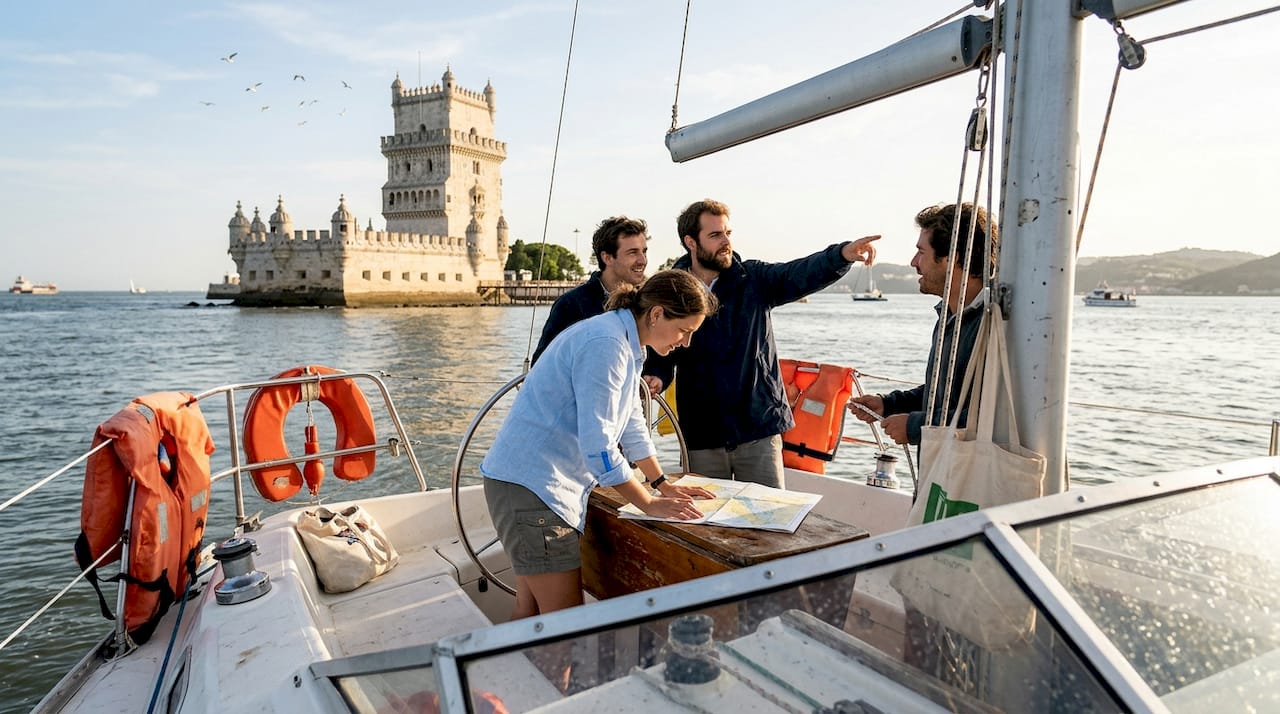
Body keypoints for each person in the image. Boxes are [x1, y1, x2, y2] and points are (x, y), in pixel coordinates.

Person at [481, 269, 718, 624]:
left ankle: (510, 680)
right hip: (534, 494)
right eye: (684, 330)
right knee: (565, 630)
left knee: (529, 614)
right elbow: (601, 448)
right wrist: (649, 504)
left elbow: (632, 423)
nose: (686, 343)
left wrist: (661, 483)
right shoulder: (606, 345)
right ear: (656, 314)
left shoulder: (623, 341)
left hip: (521, 485)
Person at [645, 198, 879, 488]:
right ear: (691, 242)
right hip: (702, 434)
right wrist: (657, 375)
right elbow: (661, 347)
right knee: (706, 525)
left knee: (769, 523)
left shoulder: (753, 279)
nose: (726, 242)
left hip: (759, 429)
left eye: (728, 233)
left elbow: (799, 273)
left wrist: (840, 255)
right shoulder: (670, 289)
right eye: (716, 235)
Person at [847, 202, 995, 447]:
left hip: (976, 478)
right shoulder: (950, 316)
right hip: (945, 471)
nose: (914, 262)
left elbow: (993, 416)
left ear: (952, 258)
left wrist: (916, 426)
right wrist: (889, 404)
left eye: (921, 252)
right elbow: (946, 394)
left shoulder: (995, 324)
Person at [530, 216, 650, 365]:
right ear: (607, 258)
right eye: (633, 253)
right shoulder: (571, 305)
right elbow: (543, 363)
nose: (643, 260)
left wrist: (656, 376)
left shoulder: (647, 301)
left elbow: (659, 357)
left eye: (644, 252)